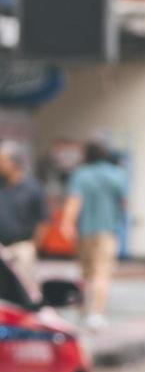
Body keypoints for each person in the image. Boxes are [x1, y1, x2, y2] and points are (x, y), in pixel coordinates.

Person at [60, 141, 128, 331]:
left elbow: (74, 200)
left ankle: (84, 310)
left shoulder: (81, 175)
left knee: (86, 273)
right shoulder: (116, 174)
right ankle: (96, 313)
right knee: (102, 273)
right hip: (107, 231)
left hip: (85, 231)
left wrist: (67, 223)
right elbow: (124, 203)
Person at [0, 140, 47, 288]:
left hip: (22, 247)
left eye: (2, 160)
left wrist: (34, 246)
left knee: (23, 287)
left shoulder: (32, 187)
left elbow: (43, 220)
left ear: (14, 163)